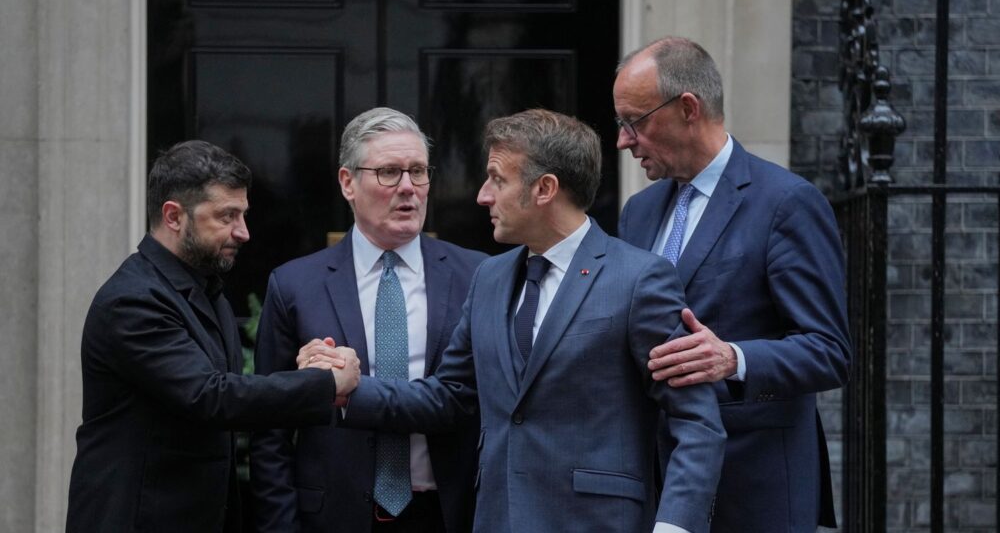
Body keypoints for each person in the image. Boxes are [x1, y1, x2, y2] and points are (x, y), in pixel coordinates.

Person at [307, 108, 726, 533]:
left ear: (544, 189)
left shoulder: (639, 279)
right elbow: (449, 396)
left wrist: (675, 526)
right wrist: (348, 388)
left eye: (497, 179)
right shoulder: (489, 278)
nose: (482, 196)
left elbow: (696, 423)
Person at [613, 36, 851, 532]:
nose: (623, 140)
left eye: (634, 122)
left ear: (688, 108)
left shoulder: (786, 203)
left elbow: (829, 351)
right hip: (653, 490)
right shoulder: (639, 212)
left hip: (752, 489)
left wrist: (733, 358)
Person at [65, 140, 360, 533]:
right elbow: (210, 397)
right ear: (174, 216)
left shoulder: (207, 289)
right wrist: (323, 383)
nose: (244, 232)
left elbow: (226, 393)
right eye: (227, 216)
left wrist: (305, 368)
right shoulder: (132, 300)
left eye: (243, 215)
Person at [249, 108, 488, 533]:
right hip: (333, 516)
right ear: (348, 183)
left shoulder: (479, 276)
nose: (408, 188)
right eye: (389, 172)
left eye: (418, 171)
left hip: (450, 514)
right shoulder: (295, 285)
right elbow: (270, 430)